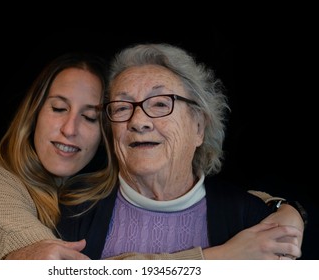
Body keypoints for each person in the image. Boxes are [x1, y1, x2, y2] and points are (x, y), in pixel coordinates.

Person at [56, 43, 305, 260]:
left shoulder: (255, 220)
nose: (138, 121)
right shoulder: (69, 211)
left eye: (161, 103)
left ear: (198, 127)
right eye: (122, 108)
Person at [0, 52, 118, 259]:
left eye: (90, 117)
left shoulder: (80, 196)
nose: (70, 129)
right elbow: (56, 266)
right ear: (34, 113)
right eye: (59, 108)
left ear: (103, 134)